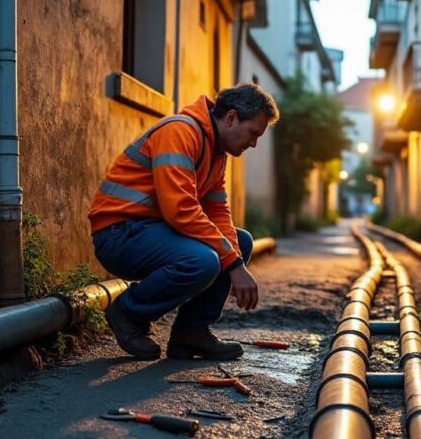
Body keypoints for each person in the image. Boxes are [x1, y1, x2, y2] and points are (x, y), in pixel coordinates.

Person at [88, 84, 279, 360]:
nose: (253, 143)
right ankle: (128, 312)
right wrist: (234, 265)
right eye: (253, 133)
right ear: (231, 118)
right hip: (119, 234)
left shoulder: (216, 151)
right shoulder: (180, 132)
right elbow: (180, 210)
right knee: (204, 260)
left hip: (151, 231)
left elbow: (217, 211)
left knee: (241, 241)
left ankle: (191, 333)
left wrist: (234, 256)